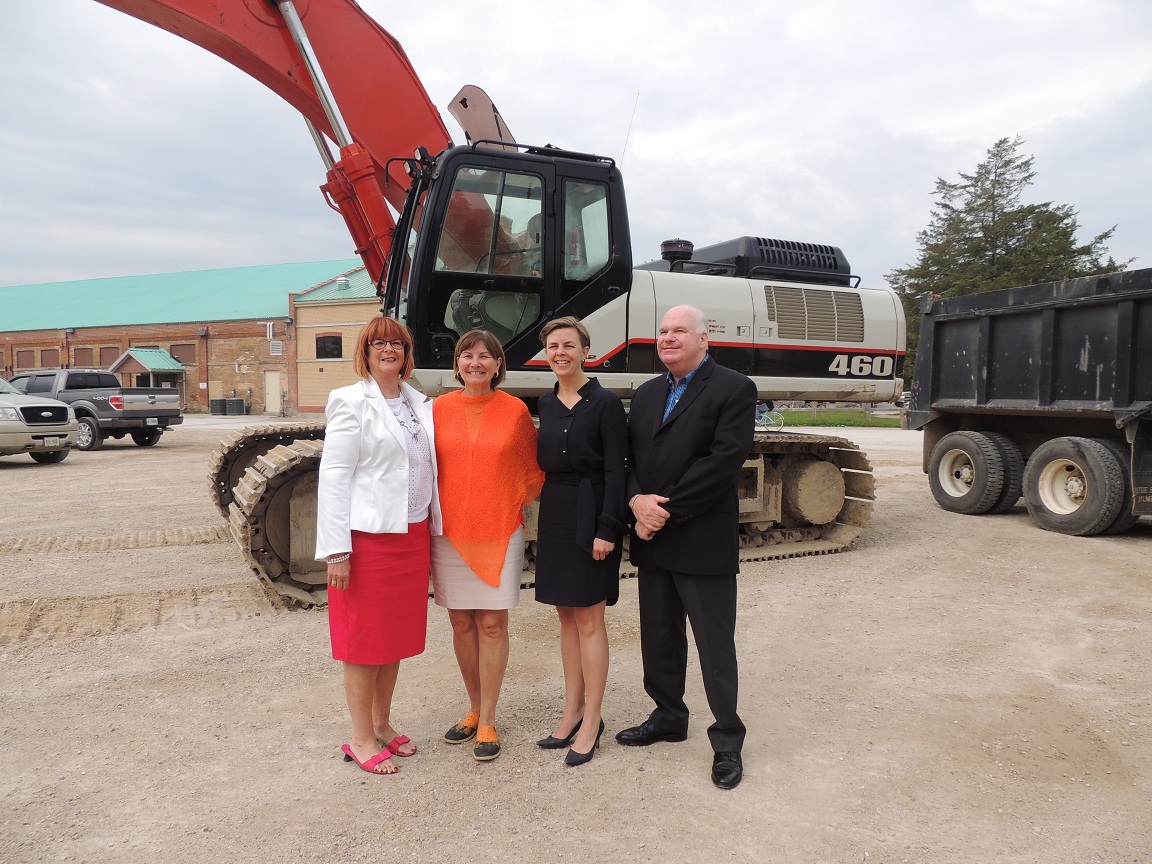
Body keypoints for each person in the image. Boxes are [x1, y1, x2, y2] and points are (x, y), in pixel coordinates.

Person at [616, 305, 757, 790]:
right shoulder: (649, 392)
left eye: (679, 331)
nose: (668, 338)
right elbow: (628, 457)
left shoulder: (734, 388)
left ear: (703, 339)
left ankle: (727, 741)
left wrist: (663, 512)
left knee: (713, 643)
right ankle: (669, 716)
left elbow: (723, 462)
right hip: (653, 538)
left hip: (699, 535)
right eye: (663, 331)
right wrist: (636, 500)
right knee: (659, 635)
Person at [314, 316, 442, 776]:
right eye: (379, 343)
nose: (389, 349)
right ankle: (360, 737)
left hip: (411, 535)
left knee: (394, 640)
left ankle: (383, 725)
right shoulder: (350, 401)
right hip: (368, 540)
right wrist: (338, 550)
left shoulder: (417, 403)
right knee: (364, 642)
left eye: (398, 343)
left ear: (407, 354)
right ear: (365, 353)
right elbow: (334, 476)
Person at [431, 329, 545, 762]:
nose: (475, 363)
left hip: (499, 529)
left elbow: (530, 473)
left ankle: (489, 719)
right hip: (448, 533)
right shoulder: (438, 409)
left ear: (499, 365)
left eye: (485, 356)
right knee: (461, 622)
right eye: (467, 355)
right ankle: (473, 707)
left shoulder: (515, 411)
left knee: (493, 624)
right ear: (456, 363)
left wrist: (499, 502)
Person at [532, 317, 628, 767]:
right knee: (566, 619)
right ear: (545, 354)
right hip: (555, 512)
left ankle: (593, 718)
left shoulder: (606, 404)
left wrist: (608, 528)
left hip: (593, 514)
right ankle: (571, 710)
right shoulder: (545, 404)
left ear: (586, 351)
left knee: (590, 620)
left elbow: (617, 472)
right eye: (553, 346)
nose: (560, 352)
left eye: (569, 345)